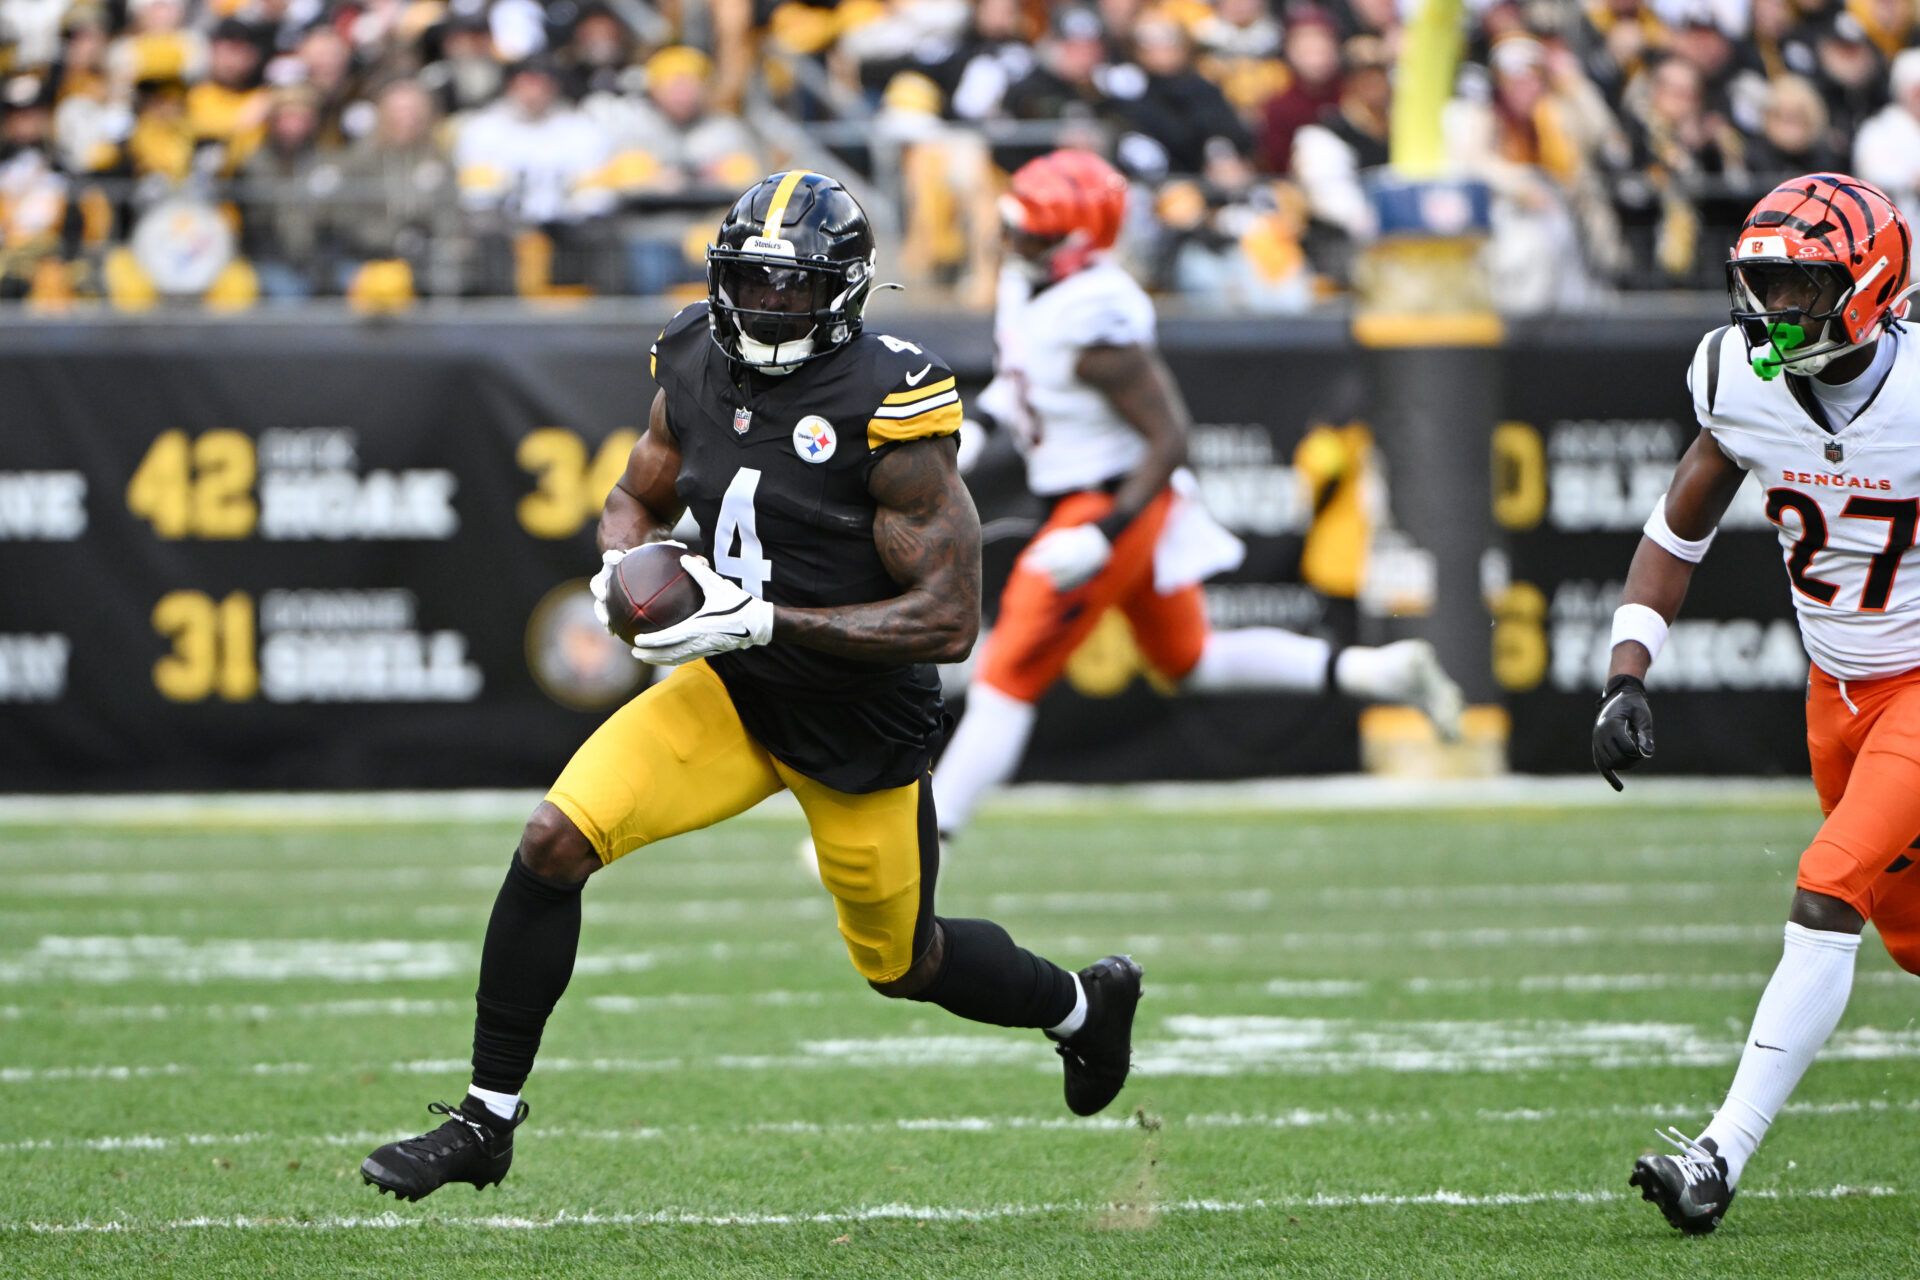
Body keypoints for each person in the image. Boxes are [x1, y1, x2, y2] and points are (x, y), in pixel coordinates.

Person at [360, 170, 1145, 1203]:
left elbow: (947, 620)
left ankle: (1082, 1011)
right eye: (752, 280)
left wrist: (768, 617)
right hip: (733, 689)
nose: (767, 304)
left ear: (848, 291)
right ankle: (484, 1120)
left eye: (793, 285)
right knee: (554, 840)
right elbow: (636, 490)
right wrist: (618, 567)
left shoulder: (891, 399)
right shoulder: (692, 352)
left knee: (904, 960)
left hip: (856, 719)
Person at [928, 149, 1464, 844]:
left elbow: (1171, 438)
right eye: (1014, 225)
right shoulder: (1029, 286)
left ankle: (929, 833)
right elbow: (1019, 374)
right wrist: (978, 431)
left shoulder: (1099, 322)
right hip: (1094, 500)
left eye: (1031, 232)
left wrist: (1106, 530)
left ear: (1076, 243)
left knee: (1007, 675)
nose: (1014, 242)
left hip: (1115, 501)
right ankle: (1378, 671)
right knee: (1191, 661)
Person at [1594, 173, 1920, 1235]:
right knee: (1910, 938)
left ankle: (1717, 1158)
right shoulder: (1737, 378)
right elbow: (1678, 525)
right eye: (1765, 285)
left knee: (1826, 887)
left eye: (1801, 286)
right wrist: (1627, 670)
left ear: (1869, 285)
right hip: (1837, 692)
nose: (1775, 311)